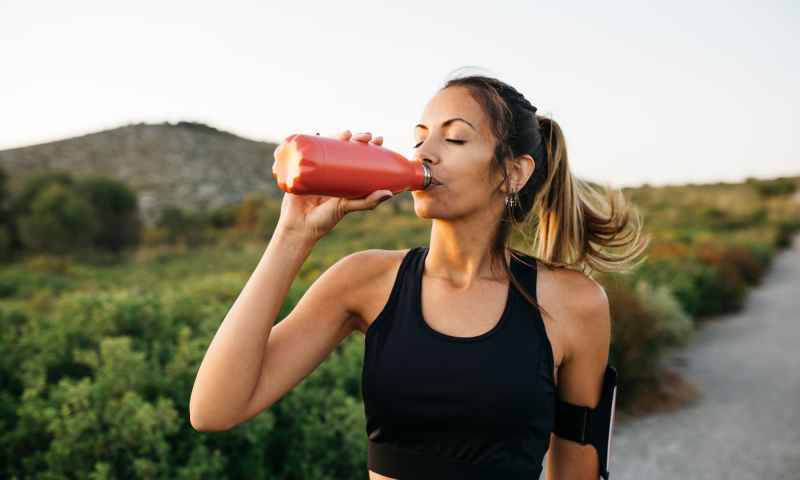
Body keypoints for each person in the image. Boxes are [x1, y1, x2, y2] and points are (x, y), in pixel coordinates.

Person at [190, 68, 650, 480]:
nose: (425, 153)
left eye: (453, 139)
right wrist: (293, 234)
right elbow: (214, 410)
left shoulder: (573, 303)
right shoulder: (365, 279)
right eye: (419, 138)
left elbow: (577, 473)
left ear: (513, 172)